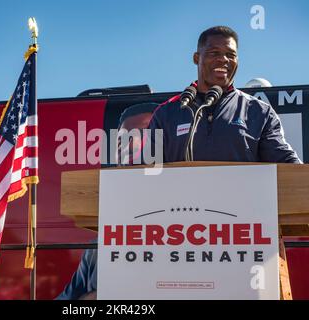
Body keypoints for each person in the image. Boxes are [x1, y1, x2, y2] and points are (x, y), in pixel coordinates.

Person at [149, 26, 302, 164]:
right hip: (180, 196)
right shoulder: (166, 112)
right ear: (197, 58)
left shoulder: (259, 111)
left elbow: (286, 161)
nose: (223, 60)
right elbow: (146, 169)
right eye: (214, 53)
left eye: (230, 55)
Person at [56, 102, 158, 300]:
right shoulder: (98, 247)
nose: (129, 145)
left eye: (140, 135)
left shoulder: (193, 225)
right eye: (121, 140)